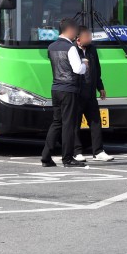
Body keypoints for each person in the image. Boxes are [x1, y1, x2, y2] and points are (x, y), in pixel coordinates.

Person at [41, 18, 88, 168]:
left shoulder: (51, 46)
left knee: (56, 122)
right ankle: (67, 158)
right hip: (69, 89)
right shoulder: (71, 48)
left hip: (56, 88)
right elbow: (77, 69)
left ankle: (46, 157)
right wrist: (85, 64)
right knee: (69, 124)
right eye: (75, 30)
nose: (76, 33)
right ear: (69, 30)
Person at [73, 26, 114, 163]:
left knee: (96, 122)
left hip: (90, 93)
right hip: (77, 93)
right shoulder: (72, 51)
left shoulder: (92, 49)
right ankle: (76, 151)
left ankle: (98, 151)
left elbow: (97, 69)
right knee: (75, 123)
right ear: (79, 39)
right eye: (87, 37)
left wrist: (100, 86)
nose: (90, 39)